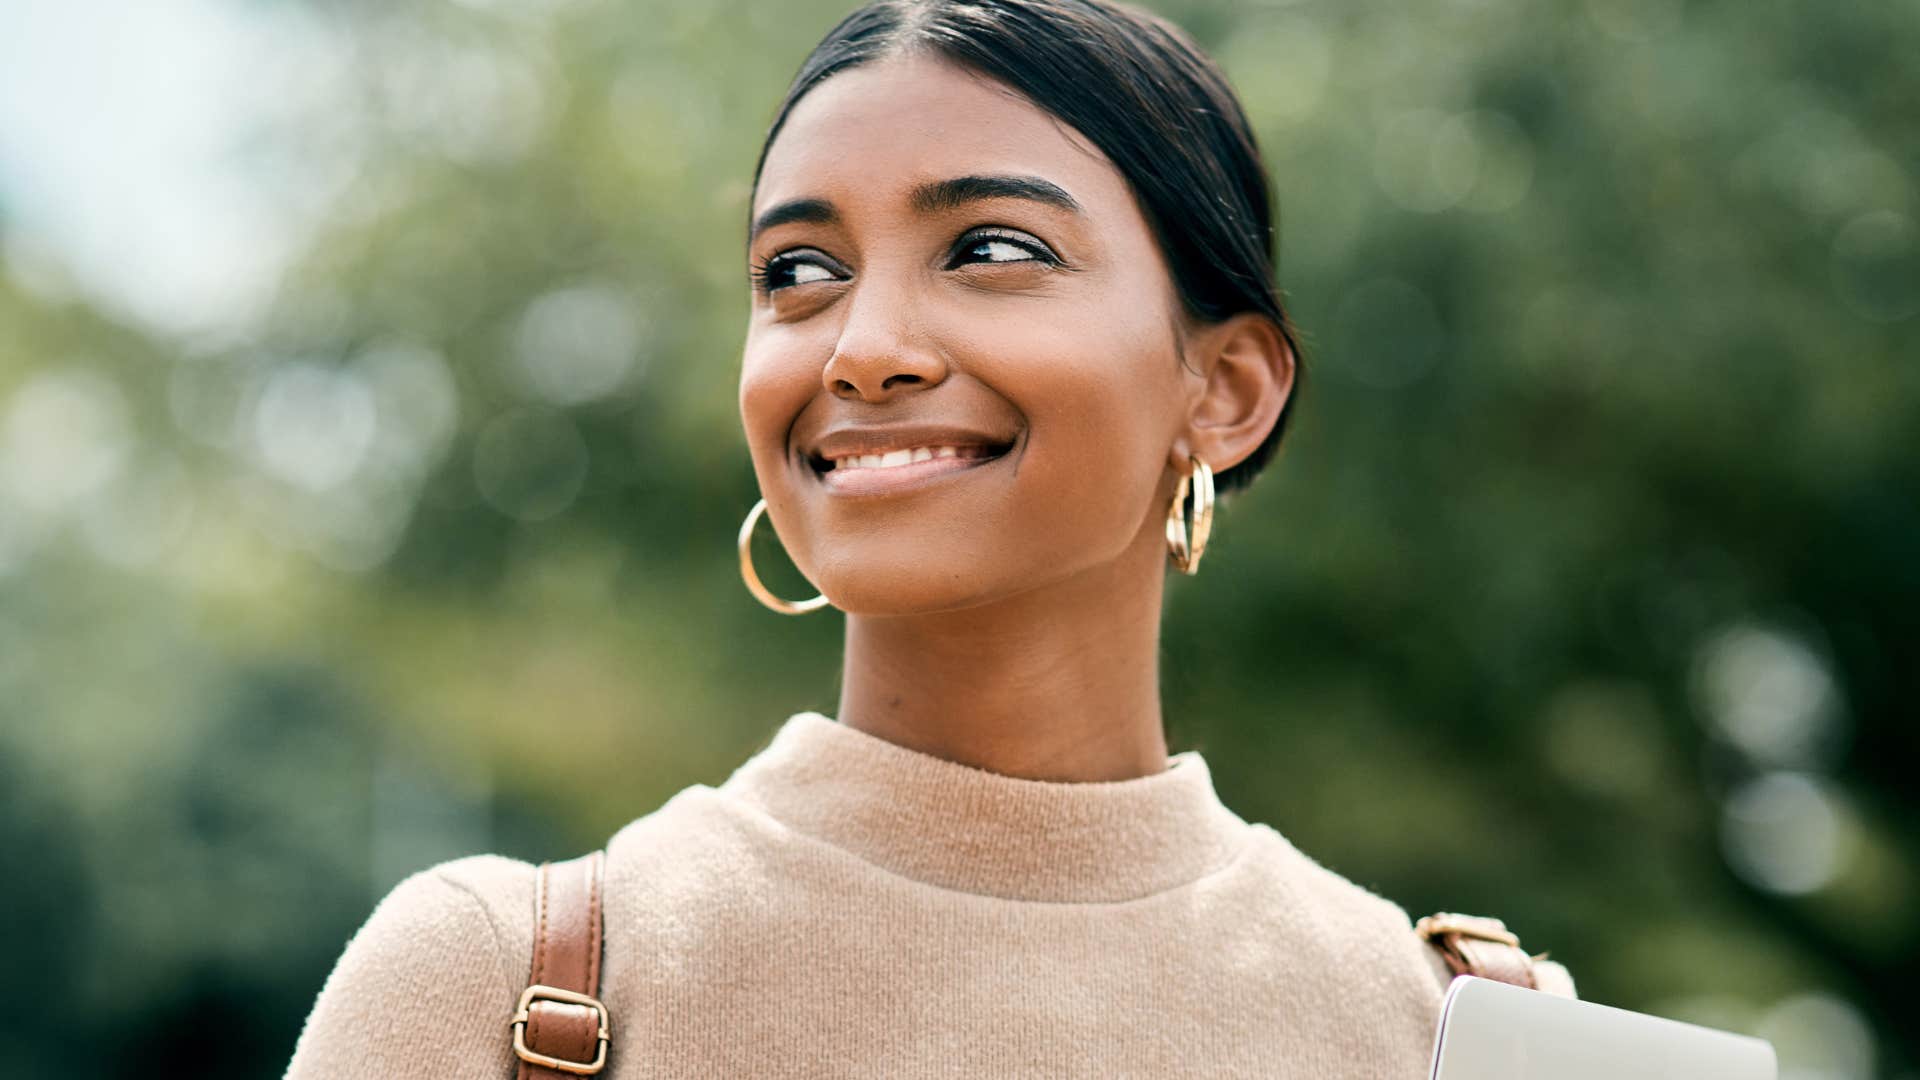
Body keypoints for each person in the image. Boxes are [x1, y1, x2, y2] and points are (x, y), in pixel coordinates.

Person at [285, 1, 1573, 1075]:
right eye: (798, 271)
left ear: (1224, 389)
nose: (862, 349)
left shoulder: (1482, 1042)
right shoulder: (491, 989)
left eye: (991, 248)